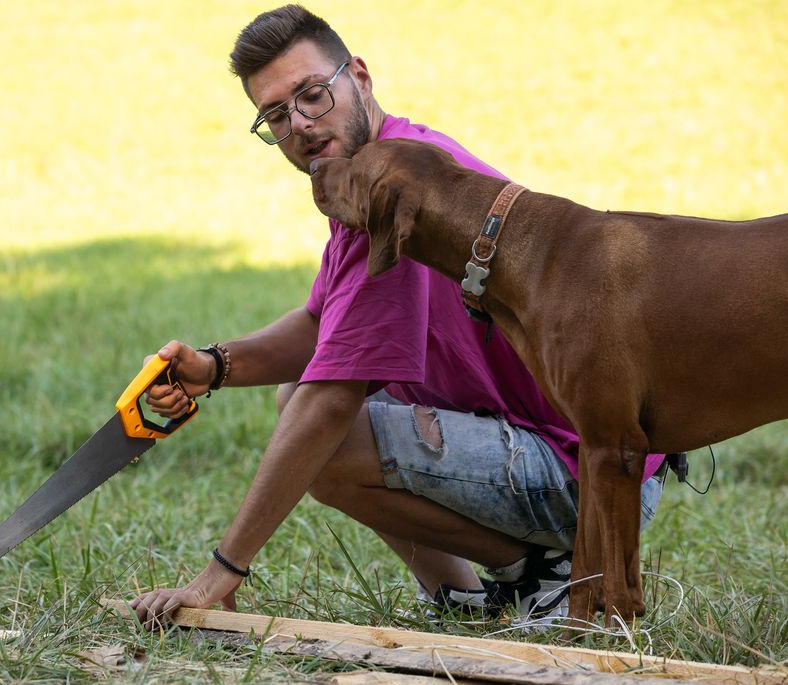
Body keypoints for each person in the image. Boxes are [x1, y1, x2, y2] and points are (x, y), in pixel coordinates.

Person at [130, 4, 664, 627]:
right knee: (293, 401)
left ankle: (540, 574)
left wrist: (223, 571)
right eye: (276, 114)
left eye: (311, 95)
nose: (299, 123)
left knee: (322, 435)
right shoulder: (383, 161)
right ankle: (460, 596)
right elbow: (319, 326)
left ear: (358, 76)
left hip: (586, 474)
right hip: (543, 447)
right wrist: (214, 366)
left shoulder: (401, 194)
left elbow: (332, 399)